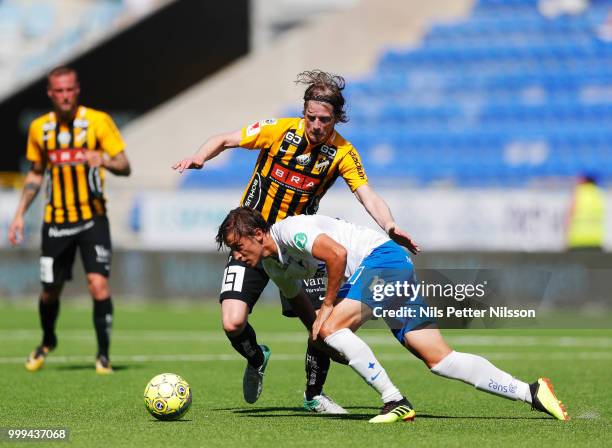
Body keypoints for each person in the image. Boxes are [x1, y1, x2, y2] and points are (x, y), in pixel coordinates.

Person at [172, 70, 418, 413]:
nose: (316, 125)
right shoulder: (278, 131)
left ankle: (313, 395)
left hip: (299, 247)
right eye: (311, 117)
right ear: (304, 113)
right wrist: (200, 157)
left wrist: (389, 225)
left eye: (325, 120)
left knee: (321, 326)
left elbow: (366, 194)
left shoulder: (343, 153)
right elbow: (225, 139)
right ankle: (256, 357)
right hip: (254, 241)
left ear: (337, 119)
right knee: (232, 321)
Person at [216, 207, 570, 423]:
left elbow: (336, 255)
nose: (236, 253)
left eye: (237, 245)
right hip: (386, 269)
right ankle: (532, 392)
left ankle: (395, 400)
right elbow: (301, 306)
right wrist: (320, 335)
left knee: (333, 325)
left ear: (258, 233)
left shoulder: (292, 231)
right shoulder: (273, 266)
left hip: (383, 261)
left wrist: (328, 315)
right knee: (439, 359)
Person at [8, 66, 131, 374]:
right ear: (50, 93)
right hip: (56, 223)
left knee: (98, 285)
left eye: (69, 90)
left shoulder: (98, 122)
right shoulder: (40, 129)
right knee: (50, 291)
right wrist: (20, 214)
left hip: (93, 219)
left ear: (78, 90)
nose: (64, 96)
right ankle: (48, 340)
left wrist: (102, 159)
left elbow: (124, 165)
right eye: (58, 91)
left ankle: (103, 354)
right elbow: (36, 172)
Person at [566, 174, 605, 252]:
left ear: (584, 180)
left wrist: (566, 239)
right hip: (596, 240)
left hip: (578, 240)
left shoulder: (579, 192)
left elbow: (570, 215)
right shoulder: (599, 193)